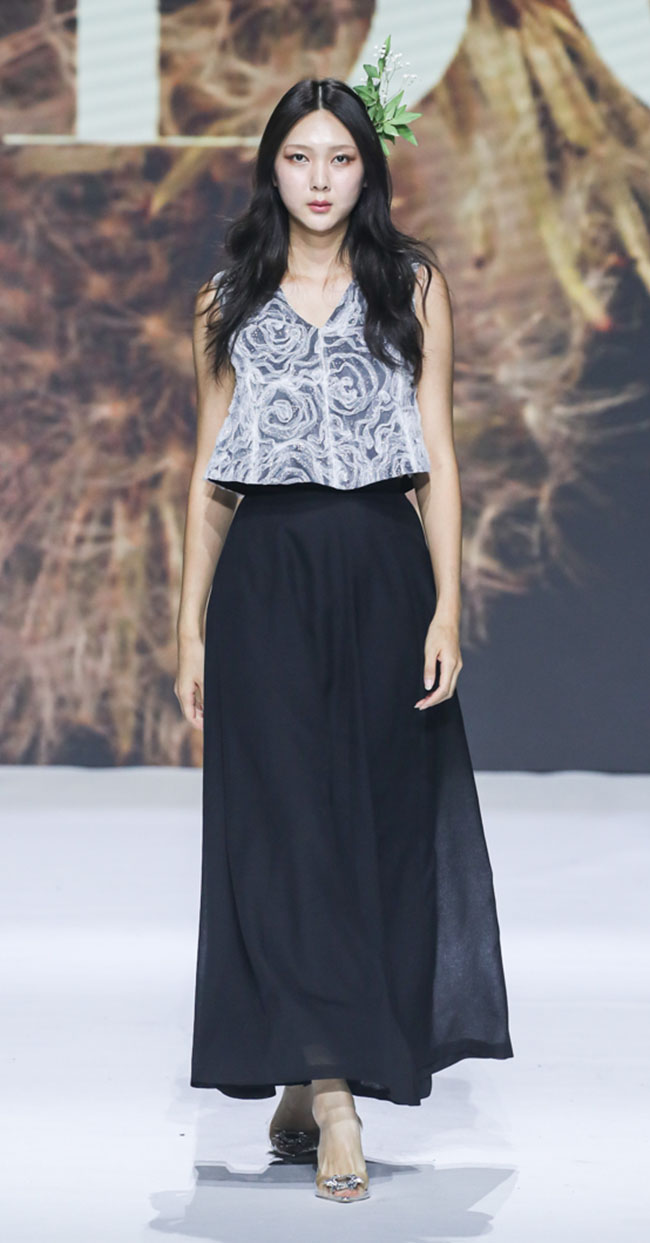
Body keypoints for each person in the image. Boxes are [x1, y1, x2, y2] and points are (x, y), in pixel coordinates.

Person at [175, 71, 513, 1205]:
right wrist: (186, 626)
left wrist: (447, 604)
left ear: (367, 170)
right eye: (297, 157)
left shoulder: (408, 284)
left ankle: (305, 1063)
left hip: (380, 566)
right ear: (269, 168)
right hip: (266, 575)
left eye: (340, 158)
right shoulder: (227, 298)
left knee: (368, 820)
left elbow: (439, 453)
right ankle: (331, 1100)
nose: (318, 180)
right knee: (282, 825)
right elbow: (209, 476)